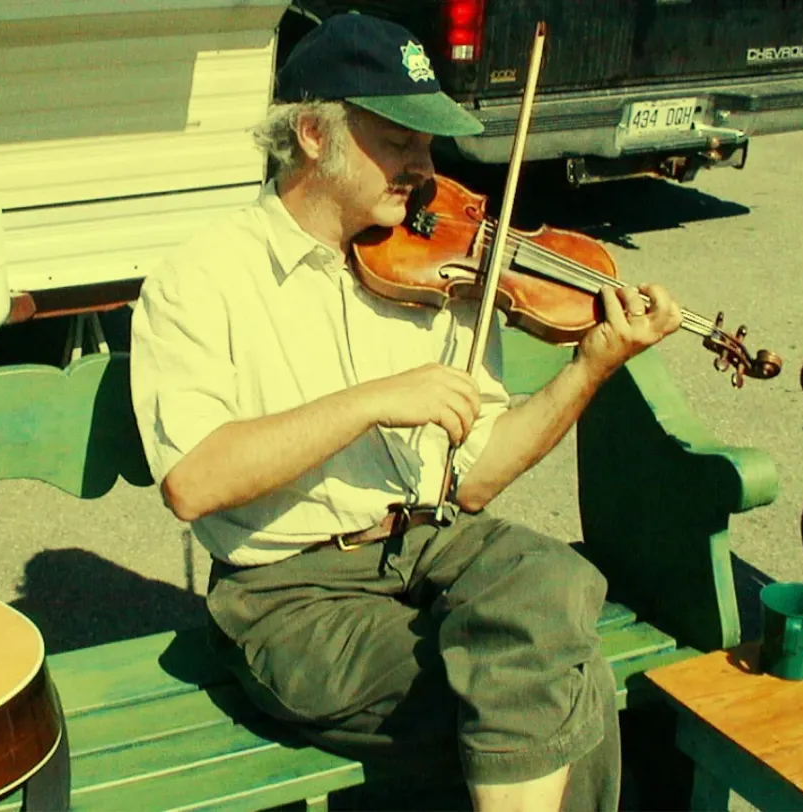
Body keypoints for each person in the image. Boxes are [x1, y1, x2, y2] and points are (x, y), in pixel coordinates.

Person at [130, 12, 682, 811]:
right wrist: (374, 401)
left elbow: (475, 483)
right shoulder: (202, 278)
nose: (426, 169)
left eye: (429, 144)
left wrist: (591, 365)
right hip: (293, 596)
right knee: (567, 687)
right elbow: (194, 482)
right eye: (400, 142)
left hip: (432, 548)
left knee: (554, 577)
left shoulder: (438, 262)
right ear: (315, 135)